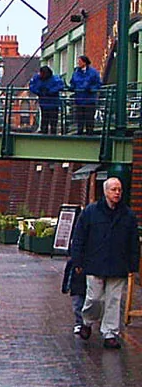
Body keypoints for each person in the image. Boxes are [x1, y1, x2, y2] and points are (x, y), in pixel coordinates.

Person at [69, 177, 139, 349]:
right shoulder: (91, 212)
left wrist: (133, 264)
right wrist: (77, 260)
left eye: (119, 189)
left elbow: (133, 242)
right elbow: (79, 237)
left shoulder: (128, 215)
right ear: (105, 191)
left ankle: (110, 333)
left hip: (118, 264)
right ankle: (87, 321)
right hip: (95, 262)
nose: (117, 193)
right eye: (114, 189)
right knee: (94, 298)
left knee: (114, 300)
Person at [69, 55, 101, 135]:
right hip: (79, 99)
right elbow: (73, 83)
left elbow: (98, 84)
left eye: (80, 61)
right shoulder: (76, 72)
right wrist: (71, 88)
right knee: (79, 118)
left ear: (85, 62)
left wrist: (91, 89)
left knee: (89, 118)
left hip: (89, 99)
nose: (78, 63)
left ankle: (89, 133)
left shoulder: (93, 72)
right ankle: (80, 132)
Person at [28, 65, 64, 134]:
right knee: (45, 120)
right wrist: (39, 91)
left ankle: (51, 133)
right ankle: (45, 132)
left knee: (52, 121)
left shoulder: (54, 79)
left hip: (52, 103)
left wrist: (49, 91)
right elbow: (32, 86)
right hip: (45, 103)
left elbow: (60, 86)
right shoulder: (38, 78)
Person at [62, 258, 87, 335]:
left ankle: (85, 323)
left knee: (85, 305)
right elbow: (68, 274)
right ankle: (79, 323)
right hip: (76, 287)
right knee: (78, 305)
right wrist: (66, 287)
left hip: (84, 286)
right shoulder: (73, 261)